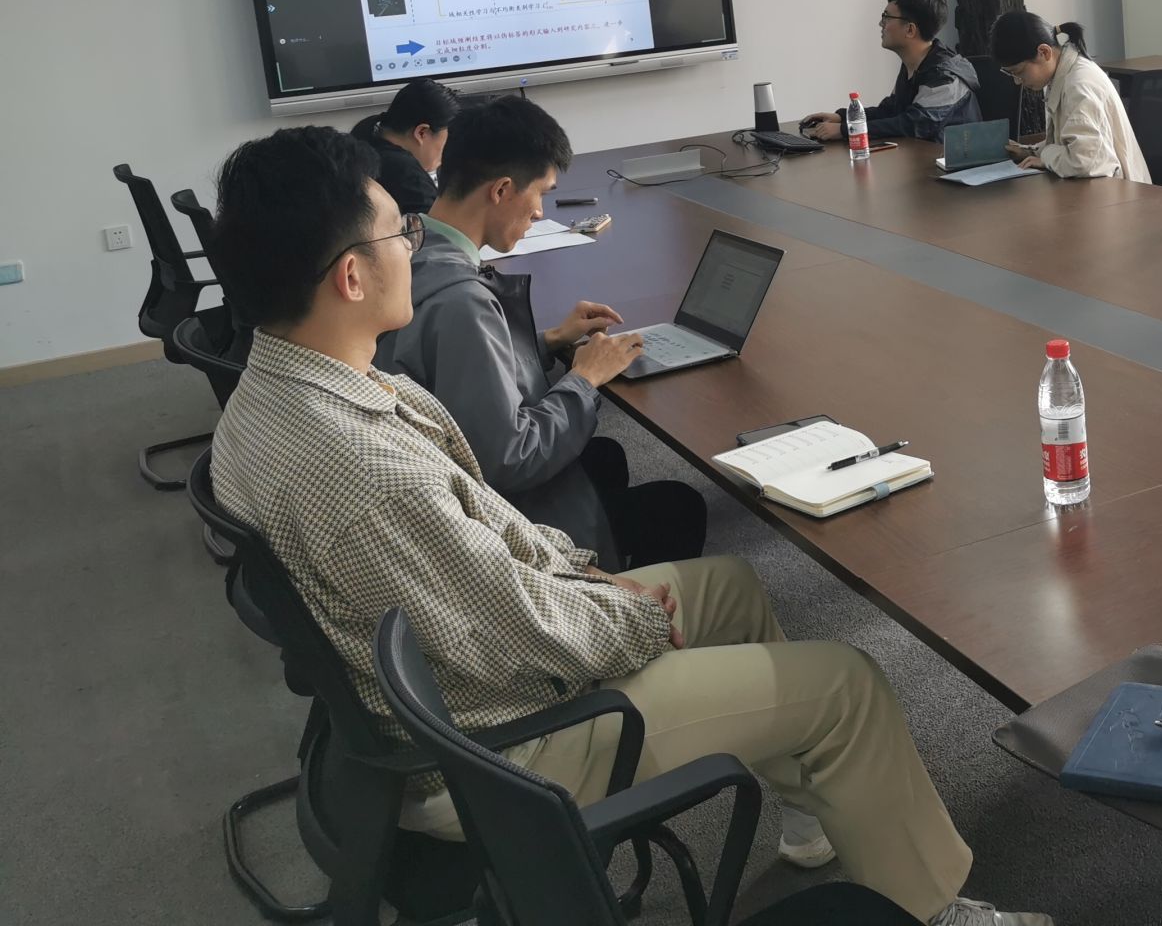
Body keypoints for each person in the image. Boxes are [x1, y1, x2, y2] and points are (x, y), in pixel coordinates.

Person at [205, 126, 1051, 926]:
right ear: (351, 278)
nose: (415, 245)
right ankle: (934, 907)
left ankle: (817, 803)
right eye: (401, 233)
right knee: (847, 684)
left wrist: (591, 577)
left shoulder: (282, 386)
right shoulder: (364, 473)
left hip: (466, 676)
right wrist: (630, 617)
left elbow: (490, 534)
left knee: (730, 586)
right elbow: (519, 635)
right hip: (504, 747)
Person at [376, 95, 707, 574]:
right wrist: (584, 379)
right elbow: (512, 459)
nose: (538, 212)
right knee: (679, 505)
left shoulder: (414, 251)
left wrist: (548, 340)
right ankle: (624, 606)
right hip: (509, 528)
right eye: (541, 194)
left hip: (452, 494)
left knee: (604, 457)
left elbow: (448, 366)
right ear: (502, 190)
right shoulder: (461, 302)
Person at [802, 0, 982, 142]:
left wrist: (846, 130)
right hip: (922, 159)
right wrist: (842, 117)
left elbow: (913, 124)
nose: (881, 24)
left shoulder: (945, 76)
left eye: (887, 17)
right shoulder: (915, 63)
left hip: (954, 164)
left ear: (910, 30)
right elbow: (890, 111)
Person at [989, 12, 1150, 182]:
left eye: (1019, 72)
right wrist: (1029, 151)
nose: (1017, 81)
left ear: (1044, 52)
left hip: (1121, 192)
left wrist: (1045, 155)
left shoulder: (1079, 85)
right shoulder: (1064, 74)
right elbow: (1071, 142)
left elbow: (1084, 161)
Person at [349, 78, 459, 216]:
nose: (443, 159)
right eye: (446, 144)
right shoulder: (409, 177)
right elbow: (438, 228)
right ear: (422, 132)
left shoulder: (364, 135)